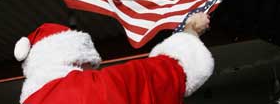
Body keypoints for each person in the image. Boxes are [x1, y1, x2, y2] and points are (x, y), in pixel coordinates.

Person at [14, 12, 213, 104]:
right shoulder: (81, 90)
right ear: (74, 58)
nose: (92, 70)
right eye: (88, 64)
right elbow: (154, 78)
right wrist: (190, 32)